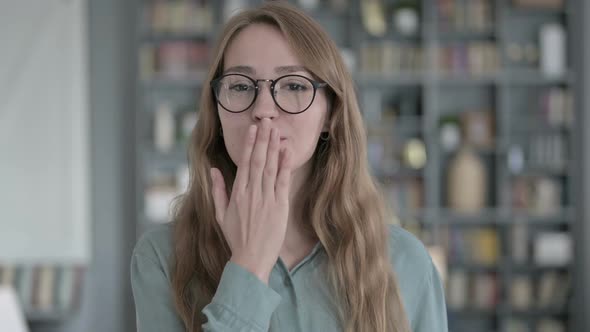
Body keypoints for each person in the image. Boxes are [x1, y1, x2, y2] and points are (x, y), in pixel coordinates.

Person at [131, 2, 448, 332]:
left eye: (294, 86)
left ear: (330, 115)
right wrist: (249, 265)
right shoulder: (161, 257)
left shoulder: (406, 262)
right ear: (218, 115)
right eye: (240, 86)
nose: (264, 109)